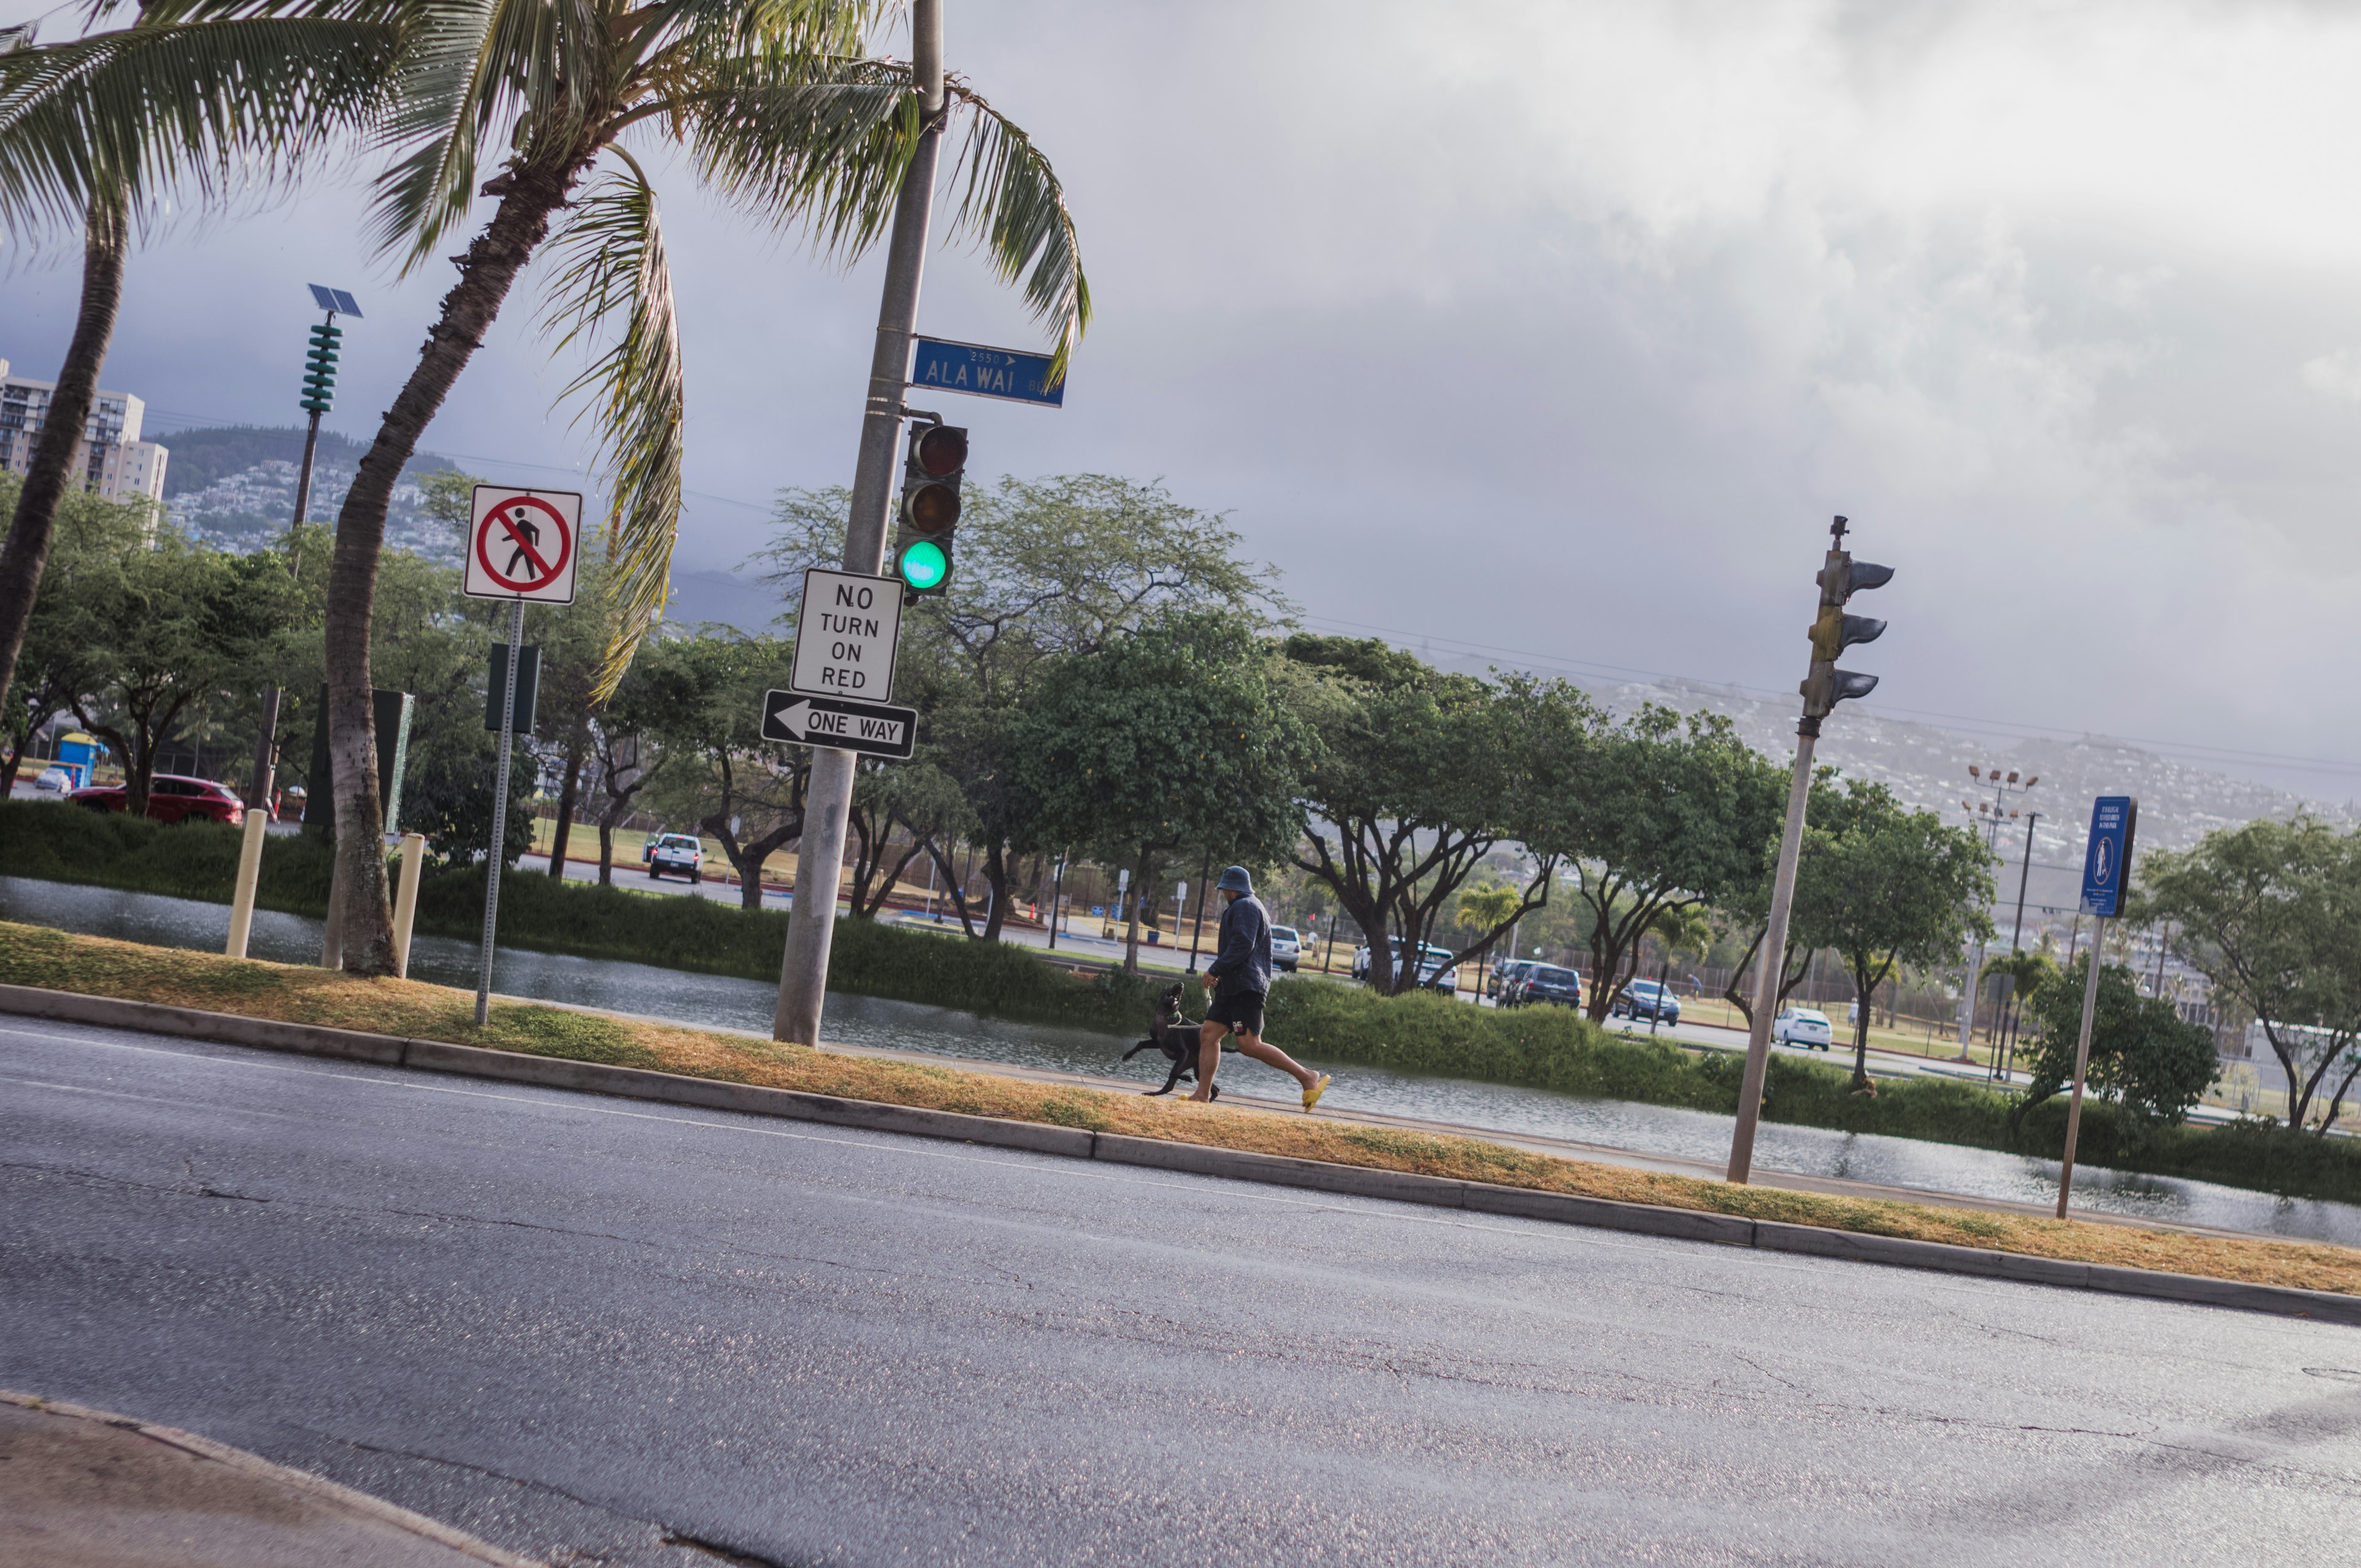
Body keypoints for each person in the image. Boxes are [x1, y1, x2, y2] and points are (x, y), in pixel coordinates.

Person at [1192, 865, 1330, 1110]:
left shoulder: (1246, 906)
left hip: (1246, 988)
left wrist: (1216, 969)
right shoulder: (1244, 905)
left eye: (1224, 888)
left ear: (1233, 888)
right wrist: (1222, 976)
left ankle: (1307, 1076)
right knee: (1209, 1034)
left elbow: (1243, 944)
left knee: (1249, 1045)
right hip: (1232, 987)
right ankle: (1202, 1096)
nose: (1222, 892)